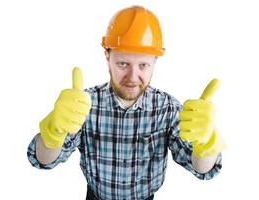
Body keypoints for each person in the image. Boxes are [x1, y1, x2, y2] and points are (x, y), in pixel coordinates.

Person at [27, 5, 225, 200]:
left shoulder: (168, 108)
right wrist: (54, 133)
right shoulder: (82, 104)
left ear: (155, 61)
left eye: (143, 65)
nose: (133, 76)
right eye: (123, 63)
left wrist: (206, 144)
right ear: (107, 57)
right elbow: (43, 160)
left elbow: (202, 169)